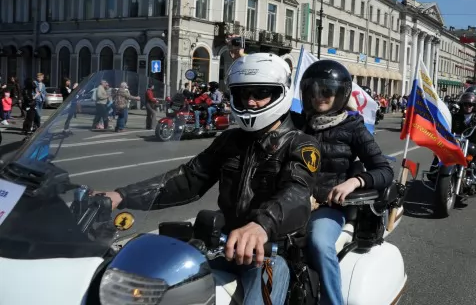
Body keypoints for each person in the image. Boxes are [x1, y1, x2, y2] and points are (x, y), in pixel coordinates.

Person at [97, 53, 319, 304]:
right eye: (243, 94)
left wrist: (262, 226)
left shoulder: (301, 144)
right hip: (224, 247)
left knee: (263, 294)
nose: (251, 102)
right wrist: (122, 195)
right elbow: (190, 178)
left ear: (281, 92)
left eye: (260, 93)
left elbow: (297, 193)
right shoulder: (230, 141)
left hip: (271, 253)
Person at [298, 60, 394, 305]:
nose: (320, 96)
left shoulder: (352, 127)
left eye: (327, 91)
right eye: (315, 90)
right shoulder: (297, 124)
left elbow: (384, 170)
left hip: (329, 206)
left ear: (340, 94)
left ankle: (332, 302)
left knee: (319, 243)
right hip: (292, 202)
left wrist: (355, 181)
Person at [452, 92, 476, 185]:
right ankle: (435, 170)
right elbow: (448, 125)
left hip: (472, 143)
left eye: (471, 104)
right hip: (457, 142)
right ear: (462, 105)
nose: (468, 106)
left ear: (474, 106)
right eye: (466, 104)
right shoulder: (455, 116)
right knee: (441, 149)